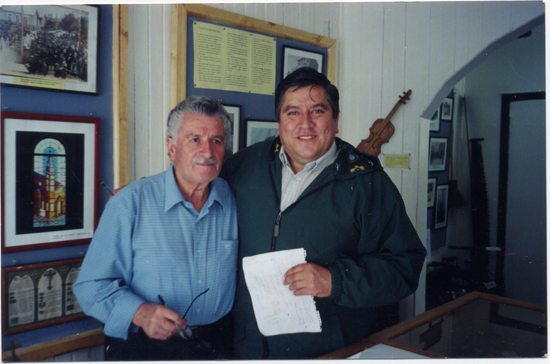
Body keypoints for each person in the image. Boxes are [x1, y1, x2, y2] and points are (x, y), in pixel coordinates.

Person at [221, 67, 427, 359]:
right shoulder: (243, 166)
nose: (305, 124)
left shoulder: (367, 182)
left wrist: (335, 280)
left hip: (327, 352)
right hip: (248, 348)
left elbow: (405, 267)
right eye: (292, 113)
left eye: (317, 111)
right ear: (278, 123)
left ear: (336, 120)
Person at [73, 96, 238, 360]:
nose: (207, 152)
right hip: (145, 348)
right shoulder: (130, 203)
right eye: (194, 139)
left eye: (216, 141)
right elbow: (91, 286)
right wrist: (140, 313)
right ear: (172, 148)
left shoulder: (230, 197)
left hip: (218, 345)